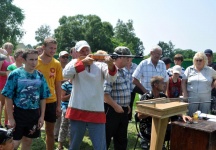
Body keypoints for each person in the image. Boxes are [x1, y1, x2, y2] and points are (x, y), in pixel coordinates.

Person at [63, 40, 117, 150]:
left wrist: (111, 65)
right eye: (81, 51)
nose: (85, 52)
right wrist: (82, 63)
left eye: (87, 50)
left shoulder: (100, 65)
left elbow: (111, 78)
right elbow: (65, 74)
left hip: (96, 110)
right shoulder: (74, 62)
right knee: (74, 145)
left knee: (100, 146)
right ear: (77, 53)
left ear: (90, 51)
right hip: (77, 109)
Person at [1, 49, 51, 150]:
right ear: (24, 60)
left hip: (34, 114)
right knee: (13, 143)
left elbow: (43, 97)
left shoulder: (40, 76)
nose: (34, 62)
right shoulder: (15, 74)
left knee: (28, 141)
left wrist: (41, 116)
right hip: (19, 113)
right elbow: (8, 96)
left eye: (36, 59)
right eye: (31, 59)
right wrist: (10, 118)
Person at [136, 76, 192, 149]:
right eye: (162, 83)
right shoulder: (146, 97)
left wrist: (182, 115)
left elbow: (170, 109)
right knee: (162, 133)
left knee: (178, 130)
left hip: (162, 125)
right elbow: (139, 116)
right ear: (155, 85)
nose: (165, 85)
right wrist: (153, 111)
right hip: (147, 127)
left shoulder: (163, 96)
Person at [36, 37, 63, 150]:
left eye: (55, 48)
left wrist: (58, 105)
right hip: (35, 101)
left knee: (50, 132)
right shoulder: (35, 61)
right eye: (50, 48)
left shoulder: (56, 64)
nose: (53, 51)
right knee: (30, 131)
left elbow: (58, 85)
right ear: (43, 47)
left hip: (51, 101)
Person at [104, 46, 131, 150]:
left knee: (121, 139)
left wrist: (126, 104)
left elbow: (124, 90)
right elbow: (105, 94)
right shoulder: (110, 71)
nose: (129, 60)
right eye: (126, 57)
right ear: (119, 58)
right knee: (106, 138)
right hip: (111, 110)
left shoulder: (124, 71)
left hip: (123, 110)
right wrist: (116, 106)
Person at [182, 52, 216, 116]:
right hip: (192, 95)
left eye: (200, 60)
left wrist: (213, 86)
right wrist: (185, 93)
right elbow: (183, 81)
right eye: (196, 60)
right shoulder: (189, 69)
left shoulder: (210, 70)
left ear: (204, 60)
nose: (198, 62)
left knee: (204, 116)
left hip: (206, 96)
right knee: (191, 115)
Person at [54, 50, 70, 141]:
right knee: (58, 115)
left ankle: (65, 135)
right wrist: (64, 81)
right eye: (63, 57)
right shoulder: (56, 67)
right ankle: (55, 134)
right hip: (57, 93)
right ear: (59, 58)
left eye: (67, 57)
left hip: (67, 94)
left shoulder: (69, 67)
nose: (65, 59)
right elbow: (56, 81)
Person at [0, 42, 15, 128]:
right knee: (1, 104)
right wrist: (7, 72)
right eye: (8, 48)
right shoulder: (1, 58)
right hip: (2, 83)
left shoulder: (12, 58)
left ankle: (6, 122)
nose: (10, 49)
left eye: (11, 48)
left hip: (10, 83)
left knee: (8, 104)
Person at [57, 79, 72, 150]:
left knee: (72, 128)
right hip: (66, 108)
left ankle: (71, 145)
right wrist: (72, 94)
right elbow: (62, 98)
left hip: (75, 109)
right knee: (64, 126)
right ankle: (60, 145)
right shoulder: (65, 85)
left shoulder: (79, 84)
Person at [123, 57, 137, 121]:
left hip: (132, 88)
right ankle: (124, 116)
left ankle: (129, 118)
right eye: (127, 57)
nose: (128, 59)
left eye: (130, 57)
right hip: (124, 88)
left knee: (131, 103)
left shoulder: (135, 66)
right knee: (124, 103)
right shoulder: (122, 65)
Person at [204, 49, 216, 114]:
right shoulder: (201, 66)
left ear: (211, 56)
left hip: (213, 92)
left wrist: (212, 87)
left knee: (213, 112)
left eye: (209, 55)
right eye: (206, 55)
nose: (207, 57)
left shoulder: (215, 66)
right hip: (203, 92)